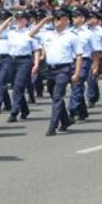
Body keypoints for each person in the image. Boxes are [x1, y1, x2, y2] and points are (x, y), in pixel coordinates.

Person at [28, 8, 83, 136]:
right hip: (50, 69)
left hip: (64, 69)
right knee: (54, 95)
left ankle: (52, 126)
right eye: (55, 19)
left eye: (59, 19)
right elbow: (31, 34)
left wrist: (77, 73)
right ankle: (65, 120)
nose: (56, 22)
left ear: (66, 21)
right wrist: (44, 21)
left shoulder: (72, 36)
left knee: (58, 97)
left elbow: (79, 55)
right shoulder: (48, 34)